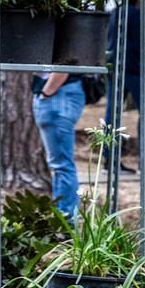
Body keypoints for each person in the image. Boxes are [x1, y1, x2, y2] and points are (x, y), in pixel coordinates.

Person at [32, 68, 84, 222]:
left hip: (57, 95)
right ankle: (62, 220)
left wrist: (46, 93)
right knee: (59, 165)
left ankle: (65, 222)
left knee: (62, 165)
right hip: (58, 94)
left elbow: (64, 64)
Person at [106, 0, 142, 157]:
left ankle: (108, 159)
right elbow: (139, 44)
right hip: (133, 69)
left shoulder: (115, 12)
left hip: (115, 67)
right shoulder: (135, 14)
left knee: (112, 113)